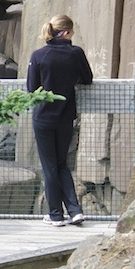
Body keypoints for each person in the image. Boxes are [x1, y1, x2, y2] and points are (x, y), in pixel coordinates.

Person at [26, 14, 93, 227]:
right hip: (65, 117)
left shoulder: (38, 55)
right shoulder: (76, 54)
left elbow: (31, 88)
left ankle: (56, 214)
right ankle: (74, 211)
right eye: (72, 32)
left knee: (50, 166)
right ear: (66, 32)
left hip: (43, 118)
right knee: (62, 163)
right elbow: (87, 79)